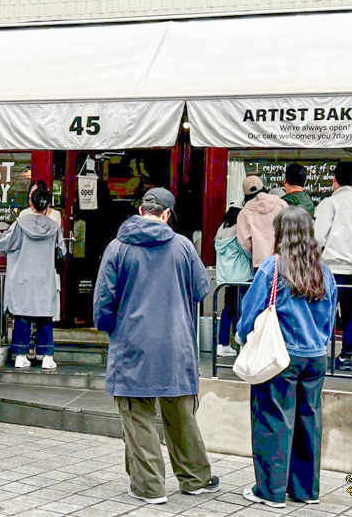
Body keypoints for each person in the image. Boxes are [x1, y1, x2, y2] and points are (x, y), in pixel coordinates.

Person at [93, 188, 217, 505]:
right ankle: (195, 479)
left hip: (132, 343)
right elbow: (202, 289)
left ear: (140, 209)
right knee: (181, 414)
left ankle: (149, 487)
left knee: (137, 416)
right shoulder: (184, 246)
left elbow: (103, 305)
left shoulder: (118, 247)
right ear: (166, 215)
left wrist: (113, 331)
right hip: (176, 343)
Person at [237, 207, 336, 508]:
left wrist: (242, 337)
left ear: (280, 232)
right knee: (309, 421)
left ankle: (271, 491)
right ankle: (306, 491)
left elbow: (250, 311)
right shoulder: (324, 270)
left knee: (272, 420)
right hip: (316, 356)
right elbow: (331, 318)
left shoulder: (273, 267)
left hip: (281, 356)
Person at [0, 186, 66, 370]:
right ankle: (47, 356)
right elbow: (62, 251)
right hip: (45, 278)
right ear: (48, 205)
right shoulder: (54, 227)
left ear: (30, 204)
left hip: (22, 277)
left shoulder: (20, 223)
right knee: (45, 316)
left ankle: (20, 355)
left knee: (23, 315)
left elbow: (3, 243)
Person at [313, 161, 352, 372]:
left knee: (324, 311)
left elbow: (317, 237)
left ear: (334, 180)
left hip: (330, 268)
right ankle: (347, 356)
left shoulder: (329, 203)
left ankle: (320, 352)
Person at [19, 180, 64, 327]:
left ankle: (33, 344)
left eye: (36, 194)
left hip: (45, 265)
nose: (33, 198)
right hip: (30, 265)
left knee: (39, 307)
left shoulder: (55, 216)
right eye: (31, 194)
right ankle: (42, 346)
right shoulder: (24, 215)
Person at [214, 205, 253, 357]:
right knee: (241, 310)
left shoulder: (221, 230)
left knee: (227, 309)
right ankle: (240, 344)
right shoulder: (238, 230)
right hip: (241, 276)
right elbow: (248, 252)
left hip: (226, 278)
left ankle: (223, 343)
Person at [237, 176, 288, 268]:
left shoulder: (244, 212)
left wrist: (255, 252)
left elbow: (244, 243)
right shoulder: (281, 204)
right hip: (283, 260)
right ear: (263, 187)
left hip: (261, 263)